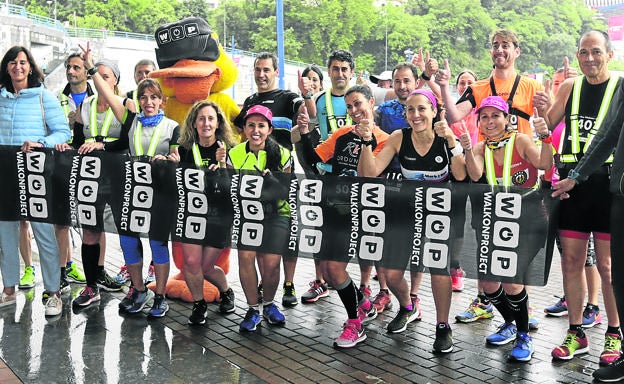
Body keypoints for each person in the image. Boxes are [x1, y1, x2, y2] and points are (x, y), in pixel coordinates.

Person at [535, 30, 622, 366]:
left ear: (609, 54)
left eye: (596, 52)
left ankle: (615, 333)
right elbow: (547, 128)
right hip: (570, 183)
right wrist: (541, 116)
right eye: (584, 52)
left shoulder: (621, 86)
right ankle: (576, 331)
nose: (590, 58)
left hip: (608, 184)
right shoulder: (570, 87)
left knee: (608, 266)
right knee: (571, 262)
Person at [359, 89, 465, 353]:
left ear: (433, 111)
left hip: (440, 214)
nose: (416, 115)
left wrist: (452, 142)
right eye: (410, 110)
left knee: (438, 271)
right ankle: (408, 307)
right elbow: (370, 173)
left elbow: (462, 176)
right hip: (406, 211)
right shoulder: (398, 137)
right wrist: (365, 141)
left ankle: (443, 326)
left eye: (421, 109)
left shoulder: (443, 138)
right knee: (392, 274)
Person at [82, 44, 179, 317]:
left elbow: (176, 155)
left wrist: (172, 160)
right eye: (144, 97)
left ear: (161, 101)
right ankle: (139, 289)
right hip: (133, 193)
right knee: (127, 241)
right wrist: (92, 70)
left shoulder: (172, 126)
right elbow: (107, 96)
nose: (148, 102)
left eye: (153, 97)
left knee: (158, 244)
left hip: (159, 195)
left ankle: (160, 295)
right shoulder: (131, 120)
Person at [458, 96, 553, 362]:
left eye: (495, 115)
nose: (490, 122)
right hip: (498, 220)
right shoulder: (479, 148)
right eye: (484, 117)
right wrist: (466, 148)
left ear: (506, 118)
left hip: (530, 219)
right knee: (488, 283)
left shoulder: (520, 140)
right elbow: (476, 176)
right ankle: (511, 322)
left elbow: (545, 165)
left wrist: (545, 136)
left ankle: (524, 336)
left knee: (511, 279)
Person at [297, 85, 388, 348]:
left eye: (358, 104)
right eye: (349, 107)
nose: (354, 111)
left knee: (335, 270)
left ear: (371, 102)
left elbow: (370, 177)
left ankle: (355, 323)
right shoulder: (341, 134)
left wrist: (365, 140)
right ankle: (364, 304)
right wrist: (305, 134)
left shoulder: (384, 138)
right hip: (333, 210)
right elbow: (315, 160)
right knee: (327, 268)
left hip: (361, 215)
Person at [0, 45, 71, 316]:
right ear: (6, 67)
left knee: (44, 233)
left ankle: (53, 293)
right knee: (5, 234)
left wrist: (41, 142)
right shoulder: (1, 98)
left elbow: (62, 131)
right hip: (4, 175)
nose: (18, 67)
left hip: (35, 175)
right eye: (12, 62)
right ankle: (8, 289)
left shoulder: (43, 97)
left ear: (30, 66)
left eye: (22, 62)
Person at [233, 52, 304, 308]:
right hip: (253, 177)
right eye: (257, 69)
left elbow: (306, 116)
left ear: (276, 72)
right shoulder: (251, 100)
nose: (261, 74)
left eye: (266, 69)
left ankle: (288, 283)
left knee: (283, 235)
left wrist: (307, 97)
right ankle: (263, 294)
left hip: (280, 170)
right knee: (259, 247)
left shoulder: (287, 97)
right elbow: (238, 133)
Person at [58, 54, 128, 308]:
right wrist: (65, 147)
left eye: (105, 76)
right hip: (91, 179)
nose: (99, 81)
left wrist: (102, 144)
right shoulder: (85, 106)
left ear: (115, 80)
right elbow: (77, 142)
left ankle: (137, 288)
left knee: (126, 233)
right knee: (90, 231)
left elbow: (127, 140)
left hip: (119, 178)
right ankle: (91, 287)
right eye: (95, 75)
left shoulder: (126, 104)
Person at [542, 65, 601, 322]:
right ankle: (572, 298)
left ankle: (594, 305)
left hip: (587, 187)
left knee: (591, 257)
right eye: (556, 84)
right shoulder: (557, 119)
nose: (559, 88)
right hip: (557, 187)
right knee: (568, 254)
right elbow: (546, 143)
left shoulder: (585, 117)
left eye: (561, 84)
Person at [228, 105, 292, 332]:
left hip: (277, 213)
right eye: (251, 125)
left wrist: (274, 181)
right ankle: (253, 308)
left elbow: (288, 191)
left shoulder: (283, 154)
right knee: (246, 257)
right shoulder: (233, 154)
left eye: (261, 126)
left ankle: (269, 303)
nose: (256, 130)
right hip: (248, 214)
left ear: (269, 129)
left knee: (272, 263)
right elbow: (228, 188)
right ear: (244, 129)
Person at [177, 100, 238, 325]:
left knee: (205, 267)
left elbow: (233, 188)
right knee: (190, 263)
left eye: (211, 118)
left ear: (218, 123)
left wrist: (223, 167)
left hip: (218, 217)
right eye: (201, 118)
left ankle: (226, 291)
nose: (206, 123)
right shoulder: (184, 150)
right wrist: (169, 164)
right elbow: (177, 182)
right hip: (191, 214)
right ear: (194, 123)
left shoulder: (228, 150)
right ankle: (199, 303)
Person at [49, 52, 94, 295]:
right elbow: (52, 129)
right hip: (65, 164)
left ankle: (96, 272)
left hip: (91, 165)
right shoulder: (58, 98)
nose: (70, 71)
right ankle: (64, 267)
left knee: (94, 220)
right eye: (68, 67)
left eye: (76, 67)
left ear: (87, 71)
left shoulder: (97, 96)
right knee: (62, 219)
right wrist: (68, 125)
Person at [116, 58, 158, 285]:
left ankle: (154, 270)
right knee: (130, 233)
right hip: (133, 184)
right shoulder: (130, 110)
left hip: (157, 187)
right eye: (140, 73)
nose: (144, 76)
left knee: (156, 233)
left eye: (148, 72)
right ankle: (135, 281)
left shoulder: (169, 122)